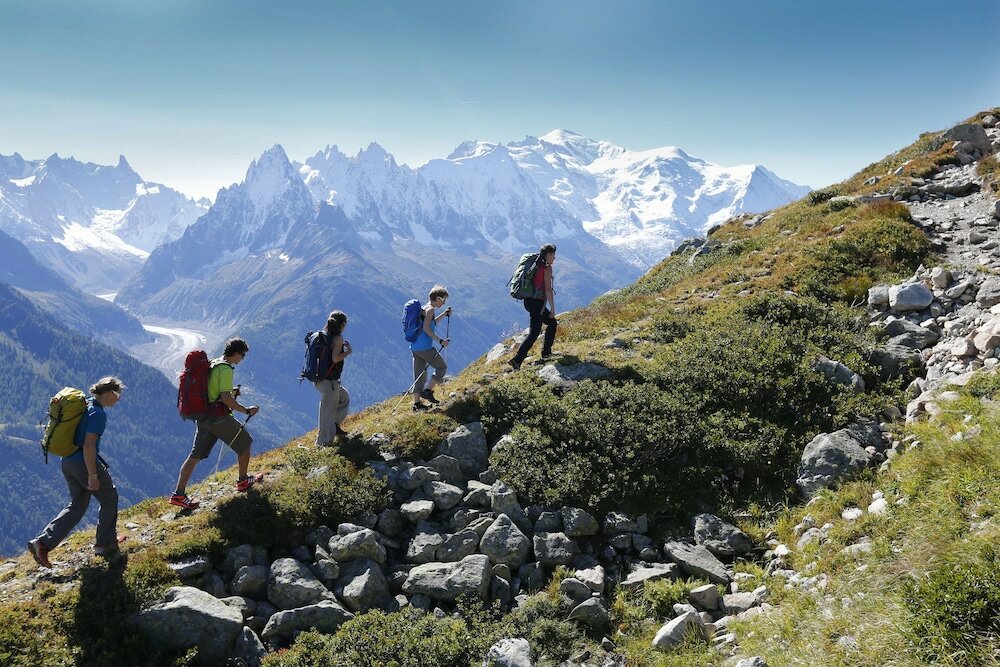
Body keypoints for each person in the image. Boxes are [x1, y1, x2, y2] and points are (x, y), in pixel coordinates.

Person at [28, 376, 126, 568]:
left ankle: (42, 543)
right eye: (117, 394)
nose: (118, 398)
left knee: (78, 504)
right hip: (83, 462)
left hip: (68, 461)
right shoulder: (98, 414)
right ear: (107, 393)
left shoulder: (85, 405)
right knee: (109, 497)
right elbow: (89, 446)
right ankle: (105, 543)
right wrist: (93, 475)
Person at [169, 338, 261, 510]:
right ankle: (243, 481)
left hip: (203, 417)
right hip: (219, 418)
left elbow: (212, 390)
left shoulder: (213, 363)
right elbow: (225, 399)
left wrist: (230, 392)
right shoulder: (226, 369)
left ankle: (178, 494)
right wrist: (247, 410)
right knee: (245, 443)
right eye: (242, 355)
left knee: (194, 456)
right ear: (235, 353)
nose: (243, 358)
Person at [509, 243, 558, 370]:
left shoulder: (536, 265)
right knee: (537, 330)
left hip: (529, 301)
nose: (554, 257)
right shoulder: (546, 269)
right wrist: (552, 308)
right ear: (548, 255)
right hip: (537, 303)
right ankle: (518, 359)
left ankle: (543, 354)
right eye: (553, 255)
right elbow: (548, 290)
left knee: (549, 325)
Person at [314, 310, 352, 447]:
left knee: (343, 397)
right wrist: (348, 352)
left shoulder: (323, 335)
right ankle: (323, 442)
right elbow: (335, 358)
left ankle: (334, 426)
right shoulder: (338, 339)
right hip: (330, 381)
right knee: (327, 410)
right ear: (342, 324)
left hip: (320, 379)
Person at [411, 285, 451, 411]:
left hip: (415, 347)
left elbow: (430, 323)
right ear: (437, 298)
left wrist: (444, 315)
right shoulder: (431, 310)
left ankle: (417, 404)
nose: (444, 303)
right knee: (441, 367)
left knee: (420, 375)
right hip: (425, 348)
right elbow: (426, 328)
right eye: (443, 300)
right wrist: (440, 341)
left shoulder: (425, 308)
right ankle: (428, 391)